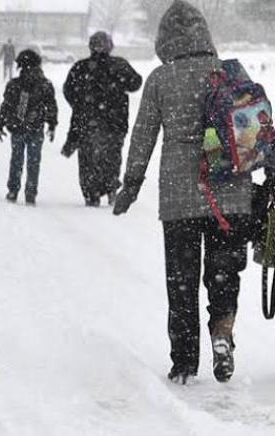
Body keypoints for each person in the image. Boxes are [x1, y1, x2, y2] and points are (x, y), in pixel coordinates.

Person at [113, 0, 251, 385]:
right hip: (231, 194)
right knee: (223, 274)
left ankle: (184, 362)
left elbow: (142, 137)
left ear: (164, 39)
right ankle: (222, 334)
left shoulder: (161, 78)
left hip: (180, 198)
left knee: (182, 281)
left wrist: (131, 185)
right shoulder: (227, 74)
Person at [62, 31, 142, 207]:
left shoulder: (81, 67)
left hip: (89, 122)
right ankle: (109, 186)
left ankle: (93, 192)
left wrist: (80, 104)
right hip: (114, 122)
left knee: (89, 160)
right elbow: (135, 83)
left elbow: (68, 90)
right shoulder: (118, 65)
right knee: (110, 158)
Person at [0, 49, 58, 206]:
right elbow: (51, 106)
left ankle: (13, 190)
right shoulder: (45, 85)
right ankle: (30, 191)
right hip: (36, 127)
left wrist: (0, 124)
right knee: (33, 161)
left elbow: (6, 106)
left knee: (16, 159)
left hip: (18, 127)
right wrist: (52, 124)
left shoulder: (15, 84)